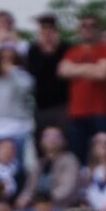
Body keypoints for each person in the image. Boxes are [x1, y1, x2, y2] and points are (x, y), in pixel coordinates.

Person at [59, 14, 106, 164]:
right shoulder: (72, 52)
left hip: (102, 111)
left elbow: (102, 73)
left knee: (103, 154)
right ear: (79, 30)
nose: (88, 29)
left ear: (98, 30)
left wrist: (76, 69)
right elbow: (63, 71)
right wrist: (93, 68)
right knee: (77, 155)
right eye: (84, 26)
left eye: (92, 26)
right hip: (77, 112)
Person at [0, 46, 35, 164]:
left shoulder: (21, 75)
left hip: (17, 129)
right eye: (3, 58)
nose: (6, 61)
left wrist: (12, 72)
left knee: (17, 167)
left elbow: (27, 88)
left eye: (10, 58)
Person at [27, 13, 71, 146]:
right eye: (44, 30)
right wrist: (45, 52)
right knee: (41, 141)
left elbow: (62, 72)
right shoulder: (34, 50)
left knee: (64, 139)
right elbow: (35, 72)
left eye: (50, 30)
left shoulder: (65, 48)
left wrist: (53, 50)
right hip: (41, 105)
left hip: (62, 103)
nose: (47, 33)